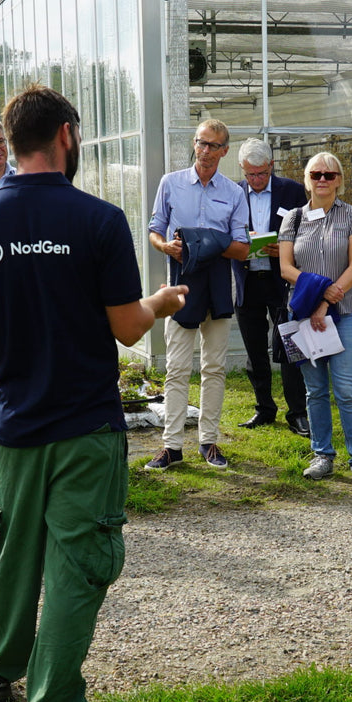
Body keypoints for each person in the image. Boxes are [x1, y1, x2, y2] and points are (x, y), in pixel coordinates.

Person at [0, 83, 187, 702]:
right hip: (83, 425)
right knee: (78, 563)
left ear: (13, 144)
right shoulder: (98, 221)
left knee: (14, 554)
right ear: (65, 137)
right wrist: (161, 302)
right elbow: (128, 328)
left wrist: (18, 337)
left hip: (14, 425)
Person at [145, 119, 249, 470]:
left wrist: (205, 243)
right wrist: (169, 248)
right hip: (181, 284)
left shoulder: (235, 192)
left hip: (219, 283)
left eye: (213, 146)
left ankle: (209, 442)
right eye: (201, 144)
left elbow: (242, 247)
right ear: (195, 144)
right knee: (176, 367)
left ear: (225, 151)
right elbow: (155, 230)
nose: (205, 152)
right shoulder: (171, 183)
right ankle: (172, 446)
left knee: (214, 367)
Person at [279, 152, 352, 494]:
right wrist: (317, 295)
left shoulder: (351, 216)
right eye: (316, 173)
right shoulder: (294, 218)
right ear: (307, 178)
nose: (322, 179)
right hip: (303, 316)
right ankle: (322, 455)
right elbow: (286, 268)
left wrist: (326, 301)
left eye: (329, 175)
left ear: (339, 180)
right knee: (314, 390)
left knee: (346, 390)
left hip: (342, 314)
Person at [234, 138, 310, 437]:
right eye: (250, 174)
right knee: (255, 351)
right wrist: (244, 239)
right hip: (247, 280)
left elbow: (308, 232)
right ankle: (264, 408)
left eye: (261, 174)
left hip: (282, 282)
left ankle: (297, 413)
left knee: (291, 347)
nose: (255, 180)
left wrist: (286, 248)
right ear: (242, 169)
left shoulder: (291, 191)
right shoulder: (233, 193)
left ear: (272, 166)